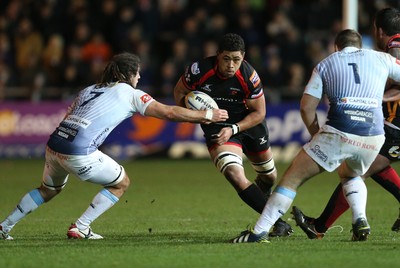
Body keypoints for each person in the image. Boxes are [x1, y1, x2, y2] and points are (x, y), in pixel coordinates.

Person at [0, 52, 229, 240]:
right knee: (121, 183)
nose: (139, 77)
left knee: (47, 190)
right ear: (128, 74)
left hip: (54, 145)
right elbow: (168, 112)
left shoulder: (89, 89)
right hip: (79, 152)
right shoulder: (130, 93)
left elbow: (69, 115)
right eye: (137, 72)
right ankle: (81, 226)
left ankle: (4, 227)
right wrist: (206, 114)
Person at [230, 29, 400, 243]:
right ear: (360, 45)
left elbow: (306, 108)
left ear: (336, 47)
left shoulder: (326, 64)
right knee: (350, 175)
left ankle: (258, 232)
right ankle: (360, 219)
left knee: (291, 179)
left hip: (339, 130)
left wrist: (316, 135)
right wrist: (385, 97)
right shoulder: (382, 59)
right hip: (374, 135)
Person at [292, 7, 400, 239]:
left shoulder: (394, 47)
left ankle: (320, 226)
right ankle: (322, 224)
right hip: (391, 125)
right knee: (368, 164)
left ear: (379, 30)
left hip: (397, 126)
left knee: (354, 173)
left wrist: (380, 96)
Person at [173, 33, 293, 237]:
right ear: (218, 55)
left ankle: (260, 196)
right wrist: (201, 115)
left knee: (269, 176)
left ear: (243, 57)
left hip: (248, 125)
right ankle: (278, 223)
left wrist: (234, 128)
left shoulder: (249, 75)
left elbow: (260, 113)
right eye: (226, 59)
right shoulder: (199, 70)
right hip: (217, 126)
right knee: (234, 174)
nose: (231, 65)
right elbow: (179, 94)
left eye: (236, 60)